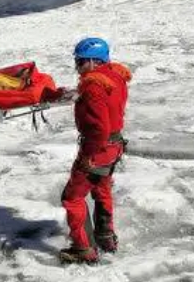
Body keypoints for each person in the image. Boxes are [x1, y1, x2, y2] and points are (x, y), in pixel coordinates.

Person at [59, 37, 132, 265]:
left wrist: (87, 157)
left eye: (80, 62)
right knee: (101, 190)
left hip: (98, 150)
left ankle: (83, 249)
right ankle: (105, 237)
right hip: (114, 147)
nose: (78, 67)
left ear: (93, 61)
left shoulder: (93, 85)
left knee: (72, 197)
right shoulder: (115, 76)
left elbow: (99, 129)